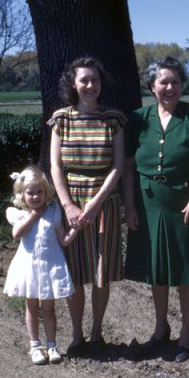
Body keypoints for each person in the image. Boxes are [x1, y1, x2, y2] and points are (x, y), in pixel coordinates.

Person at [124, 56, 189, 363]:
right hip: (148, 202)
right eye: (163, 82)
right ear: (152, 86)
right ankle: (160, 327)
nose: (170, 87)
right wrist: (129, 205)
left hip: (184, 201)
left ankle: (187, 330)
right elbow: (128, 166)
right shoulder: (139, 118)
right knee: (157, 266)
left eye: (175, 81)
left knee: (186, 266)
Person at [48, 56, 126, 356]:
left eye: (95, 79)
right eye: (84, 80)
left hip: (104, 203)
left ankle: (97, 333)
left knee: (101, 272)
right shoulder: (61, 120)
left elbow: (118, 166)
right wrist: (68, 205)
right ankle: (77, 335)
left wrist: (97, 201)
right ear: (73, 83)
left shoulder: (113, 119)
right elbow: (56, 167)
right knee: (75, 271)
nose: (91, 85)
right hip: (72, 202)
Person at [3, 165, 79, 365]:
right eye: (30, 193)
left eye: (39, 192)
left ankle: (52, 345)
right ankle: (35, 346)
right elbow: (16, 234)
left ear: (46, 193)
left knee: (49, 309)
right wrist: (34, 215)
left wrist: (76, 229)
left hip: (50, 267)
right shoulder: (20, 214)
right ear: (22, 194)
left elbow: (63, 240)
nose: (35, 197)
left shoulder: (54, 212)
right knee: (32, 308)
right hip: (29, 268)